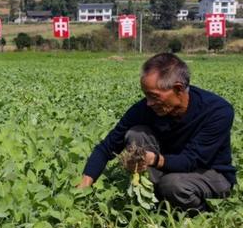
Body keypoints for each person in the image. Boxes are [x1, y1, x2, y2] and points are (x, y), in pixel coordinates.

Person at [78, 53, 236, 212]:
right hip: (167, 171)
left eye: (154, 96)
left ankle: (205, 215)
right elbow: (106, 148)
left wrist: (153, 159)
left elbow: (191, 160)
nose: (149, 102)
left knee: (173, 184)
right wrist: (84, 186)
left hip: (211, 174)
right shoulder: (145, 109)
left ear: (178, 89)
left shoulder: (217, 111)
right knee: (136, 134)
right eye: (146, 95)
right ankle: (154, 199)